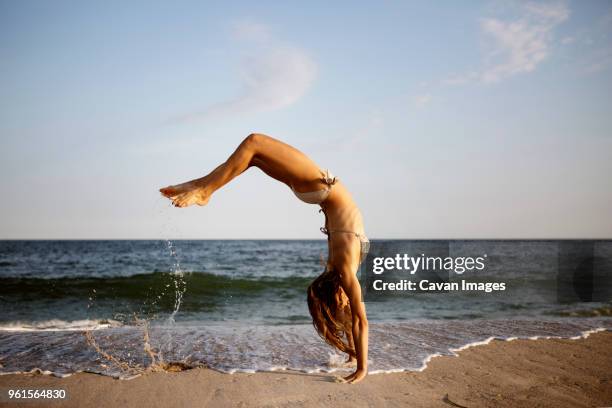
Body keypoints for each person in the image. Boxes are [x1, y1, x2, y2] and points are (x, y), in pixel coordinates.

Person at [159, 133, 370, 383]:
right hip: (318, 190)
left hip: (320, 186)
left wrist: (362, 368)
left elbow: (360, 321)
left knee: (254, 142)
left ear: (336, 290)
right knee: (252, 159)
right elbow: (349, 316)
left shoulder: (344, 269)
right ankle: (201, 185)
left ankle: (205, 190)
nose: (347, 301)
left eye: (341, 300)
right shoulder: (344, 269)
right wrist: (354, 354)